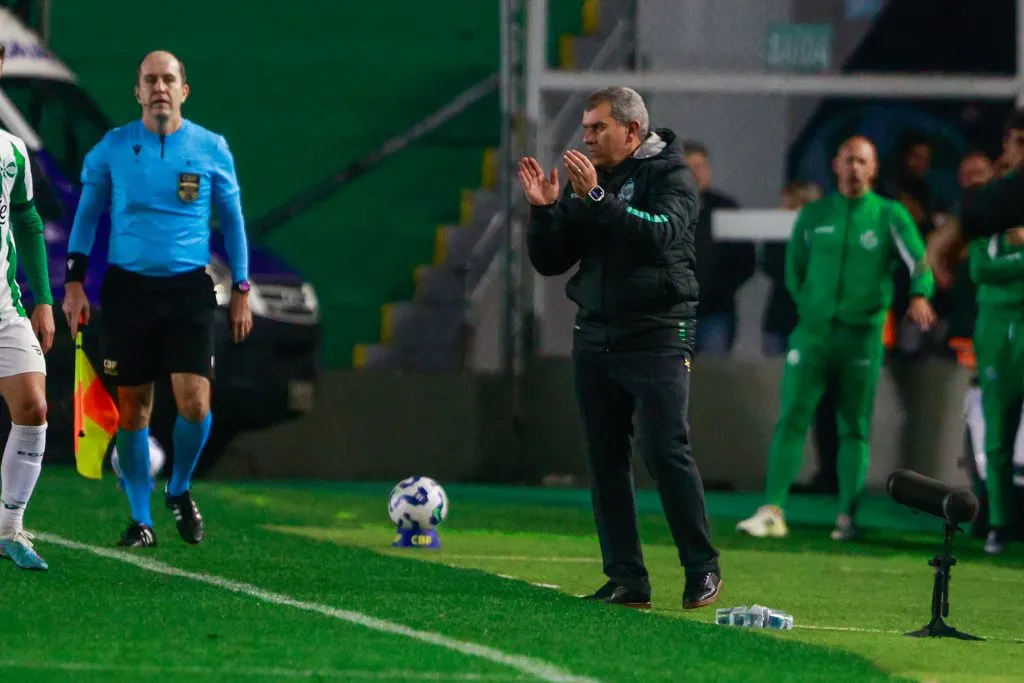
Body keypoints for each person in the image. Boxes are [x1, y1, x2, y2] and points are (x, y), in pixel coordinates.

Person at [519, 86, 721, 610]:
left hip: (657, 332)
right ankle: (627, 578)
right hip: (596, 334)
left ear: (631, 131)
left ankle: (702, 567)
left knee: (663, 449)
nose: (585, 137)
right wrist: (543, 213)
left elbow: (658, 235)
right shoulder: (591, 181)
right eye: (585, 127)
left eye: (596, 128)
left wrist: (596, 200)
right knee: (605, 459)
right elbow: (551, 261)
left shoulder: (672, 175)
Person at [62, 51, 252, 548]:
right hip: (128, 290)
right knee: (133, 409)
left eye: (169, 79)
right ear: (138, 92)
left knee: (194, 403)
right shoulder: (112, 148)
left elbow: (232, 222)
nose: (160, 87)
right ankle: (141, 520)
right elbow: (85, 217)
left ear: (184, 90)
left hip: (190, 288)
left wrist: (243, 290)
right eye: (151, 80)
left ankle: (181, 487)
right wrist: (75, 283)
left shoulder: (211, 148)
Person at [736, 136, 937, 541]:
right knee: (792, 418)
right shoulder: (814, 215)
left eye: (863, 161)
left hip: (861, 339)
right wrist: (814, 308)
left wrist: (919, 294)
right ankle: (773, 509)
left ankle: (847, 515)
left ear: (874, 169)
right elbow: (795, 271)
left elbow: (921, 262)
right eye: (849, 160)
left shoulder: (889, 215)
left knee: (854, 427)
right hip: (813, 335)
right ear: (835, 165)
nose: (855, 168)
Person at [0, 44, 56, 571]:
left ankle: (10, 528)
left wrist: (43, 299)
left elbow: (30, 223)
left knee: (34, 408)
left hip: (3, 308)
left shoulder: (11, 150)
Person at [762, 181, 840, 496]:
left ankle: (828, 472)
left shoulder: (824, 236)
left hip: (814, 326)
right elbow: (769, 265)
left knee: (820, 403)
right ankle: (783, 477)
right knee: (787, 403)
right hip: (781, 323)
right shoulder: (780, 239)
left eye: (793, 205)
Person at [967, 223, 1024, 554]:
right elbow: (980, 270)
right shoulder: (987, 236)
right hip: (996, 337)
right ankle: (998, 524)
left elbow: (991, 272)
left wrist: (1005, 269)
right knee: (997, 437)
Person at [683, 140, 754, 355]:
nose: (696, 173)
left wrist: (719, 291)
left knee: (713, 382)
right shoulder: (661, 208)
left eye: (701, 167)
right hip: (672, 316)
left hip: (716, 314)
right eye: (689, 168)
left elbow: (746, 261)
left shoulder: (726, 209)